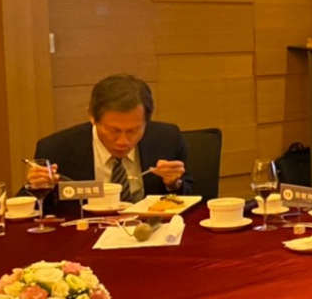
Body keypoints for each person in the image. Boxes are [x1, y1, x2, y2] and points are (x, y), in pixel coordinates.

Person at [27, 74, 192, 211]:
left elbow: (192, 197)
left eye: (133, 130)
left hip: (148, 232)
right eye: (114, 130)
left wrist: (173, 184)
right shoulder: (56, 148)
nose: (123, 141)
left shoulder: (167, 139)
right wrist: (38, 186)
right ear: (92, 116)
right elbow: (33, 210)